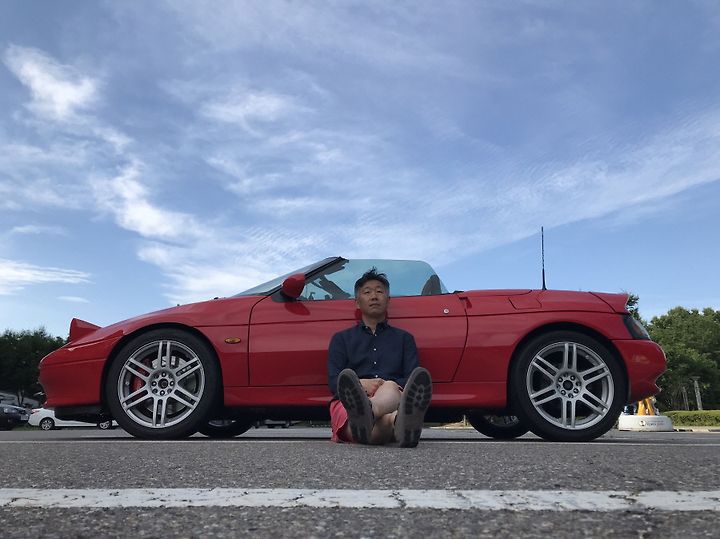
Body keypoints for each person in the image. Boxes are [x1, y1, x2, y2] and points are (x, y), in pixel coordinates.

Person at [327, 267, 432, 447]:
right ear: (357, 303)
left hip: (392, 396)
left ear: (388, 300)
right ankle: (396, 423)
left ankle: (370, 410)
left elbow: (411, 378)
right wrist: (361, 384)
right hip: (351, 400)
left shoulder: (404, 339)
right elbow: (333, 381)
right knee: (380, 420)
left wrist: (383, 385)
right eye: (367, 292)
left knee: (390, 386)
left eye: (379, 292)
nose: (374, 296)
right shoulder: (341, 339)